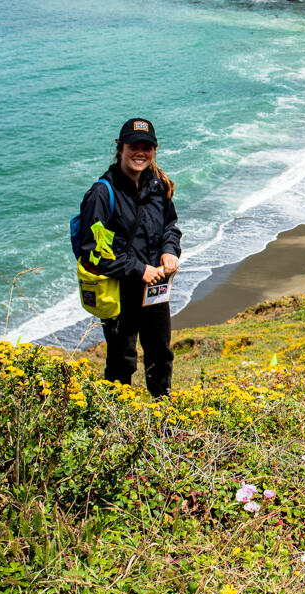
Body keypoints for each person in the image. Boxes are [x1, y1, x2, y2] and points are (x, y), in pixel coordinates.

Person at [77, 118, 181, 398]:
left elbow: (170, 226)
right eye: (134, 146)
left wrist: (169, 251)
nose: (140, 153)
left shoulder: (158, 185)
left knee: (160, 353)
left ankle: (163, 415)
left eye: (146, 147)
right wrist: (138, 269)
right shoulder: (102, 193)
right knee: (122, 360)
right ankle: (115, 422)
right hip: (119, 290)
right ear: (121, 148)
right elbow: (91, 252)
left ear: (154, 150)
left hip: (155, 288)